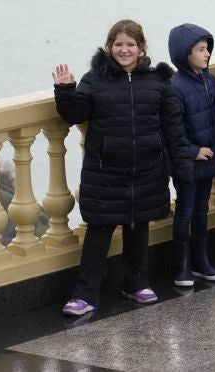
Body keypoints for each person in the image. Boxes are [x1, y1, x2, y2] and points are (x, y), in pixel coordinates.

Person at [53, 20, 193, 317]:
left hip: (147, 170)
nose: (124, 50)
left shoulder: (157, 82)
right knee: (99, 231)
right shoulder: (95, 80)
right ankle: (85, 293)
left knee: (138, 227)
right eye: (119, 44)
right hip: (105, 173)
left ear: (141, 48)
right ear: (109, 47)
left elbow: (173, 129)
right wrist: (65, 91)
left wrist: (182, 167)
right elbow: (74, 114)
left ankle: (136, 282)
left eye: (131, 45)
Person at [160, 23, 215, 289]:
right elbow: (171, 130)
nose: (207, 55)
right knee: (186, 211)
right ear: (184, 54)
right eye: (201, 50)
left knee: (202, 212)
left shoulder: (210, 80)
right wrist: (193, 151)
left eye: (208, 50)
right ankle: (182, 266)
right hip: (188, 164)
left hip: (210, 159)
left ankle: (201, 261)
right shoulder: (174, 87)